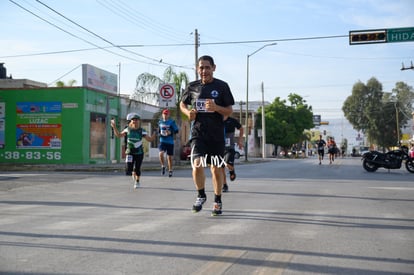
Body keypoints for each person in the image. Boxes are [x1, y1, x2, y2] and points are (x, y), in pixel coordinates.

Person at [180, 55, 235, 216]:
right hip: (198, 133)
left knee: (216, 168)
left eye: (207, 67)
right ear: (197, 69)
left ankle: (217, 200)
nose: (204, 71)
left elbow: (229, 110)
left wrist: (216, 107)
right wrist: (188, 113)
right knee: (197, 164)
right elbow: (182, 104)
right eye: (201, 67)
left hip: (216, 135)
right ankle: (201, 195)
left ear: (213, 68)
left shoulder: (222, 86)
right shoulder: (192, 87)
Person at [111, 113, 156, 189]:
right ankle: (133, 173)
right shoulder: (127, 129)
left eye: (136, 120)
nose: (135, 121)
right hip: (130, 152)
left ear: (139, 121)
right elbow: (118, 135)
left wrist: (155, 133)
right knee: (129, 169)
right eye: (133, 120)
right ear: (131, 121)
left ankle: (137, 181)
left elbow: (150, 139)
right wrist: (114, 127)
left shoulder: (141, 131)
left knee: (137, 168)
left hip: (139, 152)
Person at [222, 116, 244, 192]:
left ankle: (232, 170)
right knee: (220, 168)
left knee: (227, 164)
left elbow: (241, 129)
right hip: (219, 148)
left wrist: (240, 141)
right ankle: (224, 185)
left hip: (229, 148)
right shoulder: (216, 119)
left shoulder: (232, 120)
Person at [158, 109, 179, 177]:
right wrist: (159, 134)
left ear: (168, 115)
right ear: (162, 114)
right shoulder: (160, 122)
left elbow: (176, 130)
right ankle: (163, 166)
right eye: (164, 114)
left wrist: (170, 132)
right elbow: (158, 131)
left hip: (170, 142)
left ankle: (170, 170)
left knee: (169, 157)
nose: (165, 115)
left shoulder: (171, 122)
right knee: (161, 153)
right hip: (162, 141)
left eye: (166, 114)